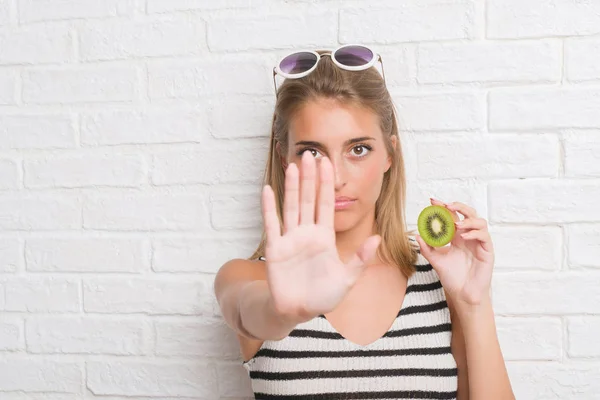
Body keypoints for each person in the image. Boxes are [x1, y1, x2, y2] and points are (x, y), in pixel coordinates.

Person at [213, 44, 515, 399]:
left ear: (389, 153)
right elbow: (248, 311)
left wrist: (473, 304)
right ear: (285, 159)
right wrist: (283, 311)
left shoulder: (440, 278)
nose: (337, 176)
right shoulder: (249, 278)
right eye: (312, 151)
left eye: (358, 149)